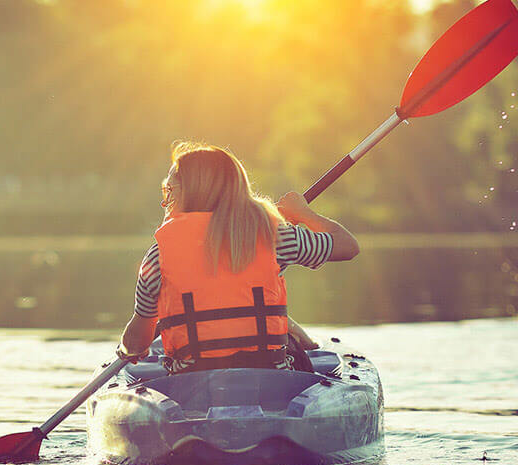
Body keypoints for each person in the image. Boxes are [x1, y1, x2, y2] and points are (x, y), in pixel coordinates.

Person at [117, 141, 359, 373]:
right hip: (271, 378)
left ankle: (307, 341)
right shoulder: (275, 236)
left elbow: (137, 341)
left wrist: (127, 349)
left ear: (188, 194)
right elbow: (347, 245)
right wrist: (304, 214)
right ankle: (309, 344)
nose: (165, 201)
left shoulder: (157, 256)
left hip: (191, 382)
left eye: (169, 190)